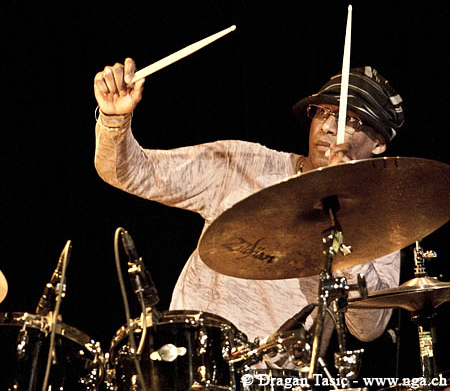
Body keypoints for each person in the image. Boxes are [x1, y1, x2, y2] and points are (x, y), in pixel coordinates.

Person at [93, 58, 404, 363]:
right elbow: (129, 172)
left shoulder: (382, 223)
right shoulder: (242, 165)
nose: (327, 127)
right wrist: (114, 119)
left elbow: (368, 329)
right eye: (323, 111)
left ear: (378, 143)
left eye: (350, 120)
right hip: (189, 360)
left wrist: (341, 209)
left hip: (277, 380)